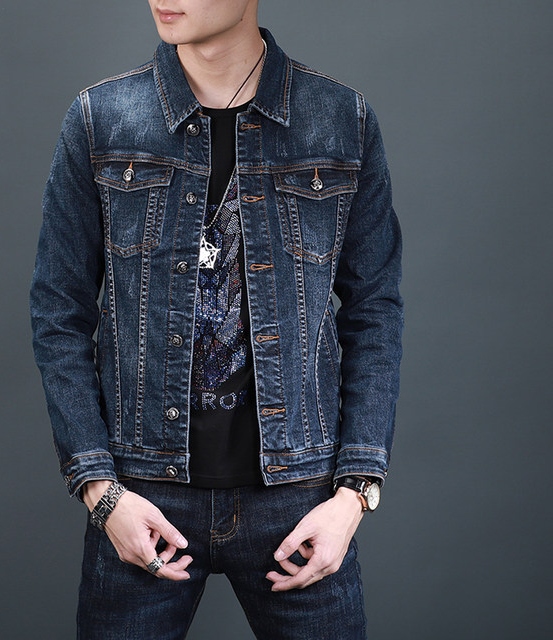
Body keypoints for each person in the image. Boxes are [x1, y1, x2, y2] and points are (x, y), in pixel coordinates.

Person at [30, 1, 403, 637]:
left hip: (298, 499)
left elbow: (374, 313)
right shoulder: (102, 120)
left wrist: (353, 495)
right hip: (144, 494)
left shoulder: (341, 120)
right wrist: (101, 492)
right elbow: (58, 313)